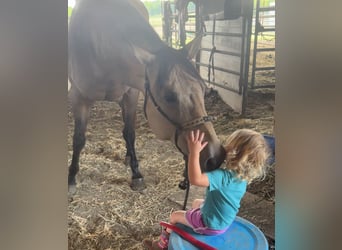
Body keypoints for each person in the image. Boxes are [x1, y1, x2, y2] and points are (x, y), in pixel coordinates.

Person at [143, 129, 270, 250]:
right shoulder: (242, 177)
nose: (224, 146)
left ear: (235, 152)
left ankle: (161, 245)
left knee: (175, 216)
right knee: (196, 202)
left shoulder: (223, 177)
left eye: (228, 144)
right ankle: (191, 222)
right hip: (224, 221)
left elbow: (196, 179)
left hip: (210, 224)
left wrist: (194, 152)